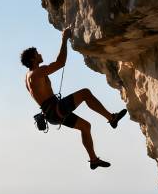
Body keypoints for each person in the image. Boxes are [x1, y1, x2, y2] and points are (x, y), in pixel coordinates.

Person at [22, 26, 127, 170]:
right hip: (55, 109)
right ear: (33, 58)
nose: (40, 54)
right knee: (85, 93)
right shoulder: (36, 73)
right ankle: (111, 118)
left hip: (52, 113)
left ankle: (93, 160)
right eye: (37, 53)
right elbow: (60, 63)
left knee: (85, 126)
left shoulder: (28, 77)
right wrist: (64, 39)